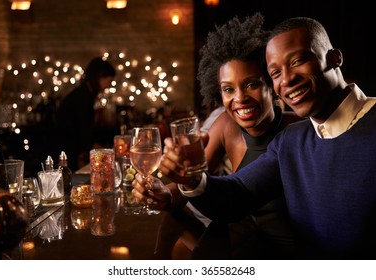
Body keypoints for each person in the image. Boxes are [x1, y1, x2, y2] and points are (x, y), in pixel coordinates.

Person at [158, 16, 376, 259]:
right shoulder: (290, 141)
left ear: (334, 58)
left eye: (298, 61)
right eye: (275, 73)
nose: (287, 79)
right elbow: (236, 194)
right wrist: (193, 179)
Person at [133, 14, 302, 259]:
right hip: (237, 237)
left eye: (251, 84)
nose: (240, 98)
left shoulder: (298, 130)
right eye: (228, 89)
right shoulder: (225, 125)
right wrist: (165, 193)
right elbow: (195, 181)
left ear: (271, 83)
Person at [53, 57, 116, 172]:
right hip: (67, 152)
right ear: (99, 77)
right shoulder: (83, 97)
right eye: (109, 80)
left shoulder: (85, 94)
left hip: (71, 149)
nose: (108, 85)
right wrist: (106, 152)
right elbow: (84, 133)